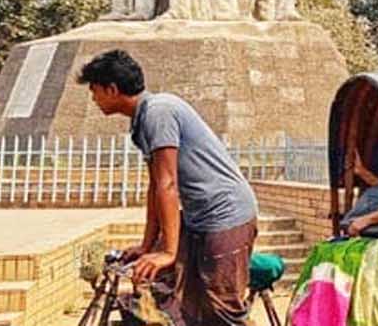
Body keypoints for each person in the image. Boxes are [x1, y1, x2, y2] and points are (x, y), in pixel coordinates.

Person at [80, 49, 259, 325]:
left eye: (95, 91)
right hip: (201, 218)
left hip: (226, 216)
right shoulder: (143, 119)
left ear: (112, 89)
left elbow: (168, 184)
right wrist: (147, 244)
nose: (93, 99)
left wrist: (168, 252)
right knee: (184, 304)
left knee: (223, 308)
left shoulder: (158, 112)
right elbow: (156, 187)